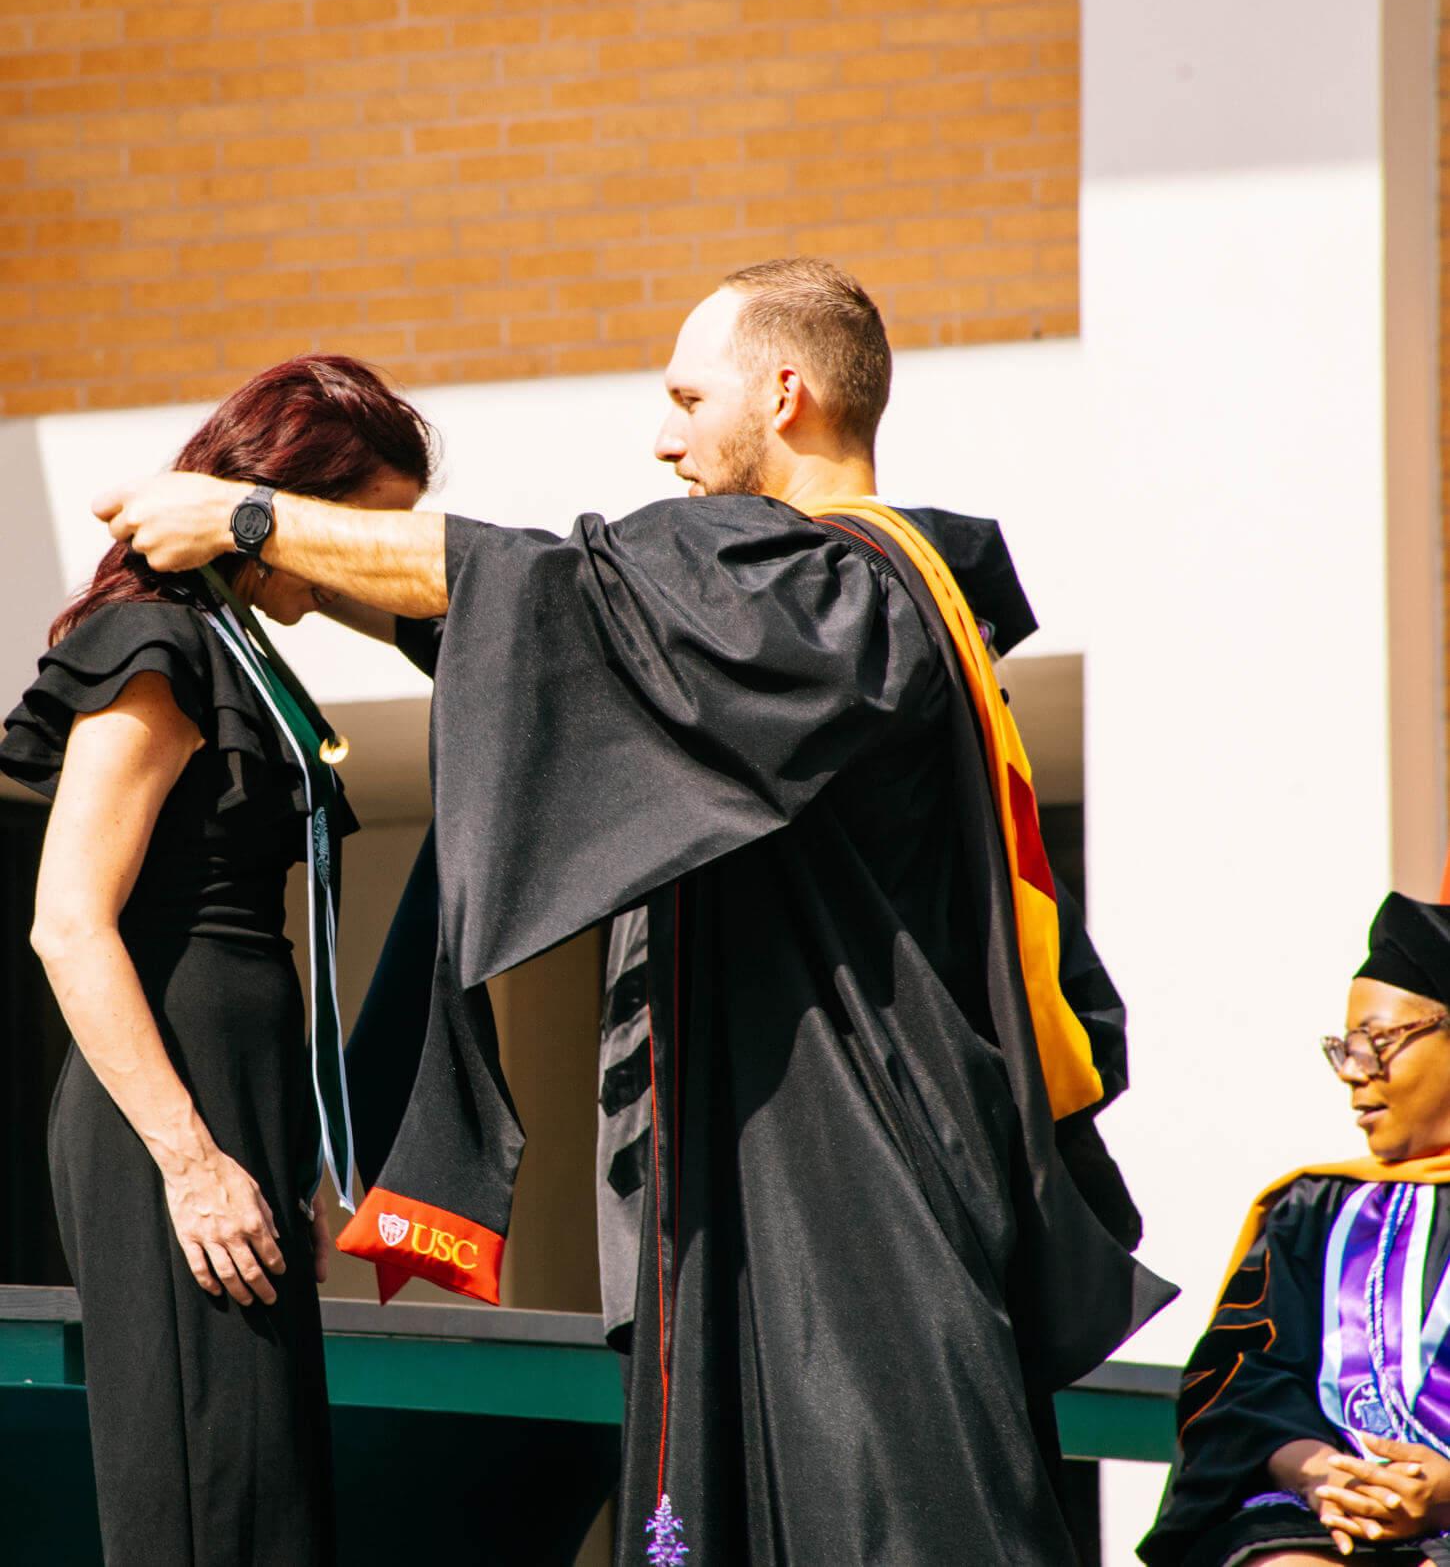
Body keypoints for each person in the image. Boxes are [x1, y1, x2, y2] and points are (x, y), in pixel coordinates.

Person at [94, 259, 1172, 1566]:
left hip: (862, 1205)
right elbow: (553, 635)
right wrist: (320, 557)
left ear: (784, 392)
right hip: (774, 1191)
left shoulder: (829, 589)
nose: (660, 436)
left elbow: (558, 598)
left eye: (684, 395)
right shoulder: (817, 612)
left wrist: (249, 520)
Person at [1, 355, 432, 1566]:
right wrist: (192, 1162)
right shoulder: (156, 640)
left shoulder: (233, 640)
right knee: (211, 1489)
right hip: (168, 1115)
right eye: (366, 528)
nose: (372, 560)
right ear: (292, 496)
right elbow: (67, 921)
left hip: (232, 1104)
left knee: (263, 1483)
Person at [1141, 893, 1450, 1567]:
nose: (1353, 1073)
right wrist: (1317, 1471)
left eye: (1379, 1041)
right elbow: (1241, 1384)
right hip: (1324, 1518)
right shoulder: (1315, 1207)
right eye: (1344, 1047)